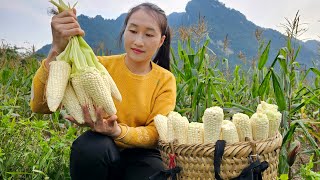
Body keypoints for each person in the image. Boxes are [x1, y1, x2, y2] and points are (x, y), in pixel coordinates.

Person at [30, 2, 176, 180]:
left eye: (148, 34)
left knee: (155, 173)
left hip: (143, 154)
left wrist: (116, 132)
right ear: (124, 30)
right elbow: (39, 106)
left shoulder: (165, 79)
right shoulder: (96, 66)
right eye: (133, 31)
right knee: (88, 148)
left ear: (161, 40)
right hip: (101, 146)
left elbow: (155, 133)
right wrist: (56, 48)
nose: (138, 41)